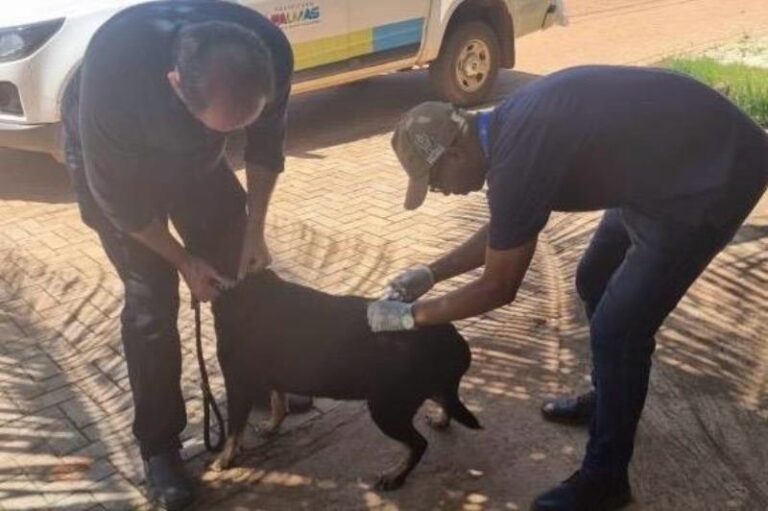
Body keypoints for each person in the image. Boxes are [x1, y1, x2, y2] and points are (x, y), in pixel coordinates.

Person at [367, 65, 768, 510]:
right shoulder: (502, 132)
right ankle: (609, 396)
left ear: (456, 152)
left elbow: (498, 286)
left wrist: (410, 316)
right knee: (593, 277)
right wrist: (431, 273)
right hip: (659, 174)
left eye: (434, 180)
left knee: (619, 332)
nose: (440, 192)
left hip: (710, 179)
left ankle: (605, 479)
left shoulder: (516, 156)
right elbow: (508, 228)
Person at [62, 2, 311, 509]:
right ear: (176, 83)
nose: (230, 137)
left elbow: (266, 148)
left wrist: (254, 232)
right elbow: (121, 206)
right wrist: (182, 261)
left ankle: (254, 380)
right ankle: (159, 447)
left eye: (233, 128)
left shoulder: (268, 51)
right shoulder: (117, 77)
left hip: (196, 166)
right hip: (119, 174)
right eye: (221, 127)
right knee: (152, 304)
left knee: (242, 272)